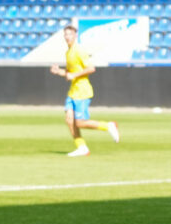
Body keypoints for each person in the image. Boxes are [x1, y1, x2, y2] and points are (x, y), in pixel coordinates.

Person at [49, 25, 119, 157]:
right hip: (73, 91)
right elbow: (69, 73)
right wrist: (59, 71)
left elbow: (91, 68)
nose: (67, 36)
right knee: (69, 120)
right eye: (65, 34)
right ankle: (82, 148)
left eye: (70, 34)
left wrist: (74, 75)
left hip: (82, 91)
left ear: (75, 35)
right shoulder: (68, 52)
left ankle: (108, 126)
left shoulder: (79, 50)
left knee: (80, 123)